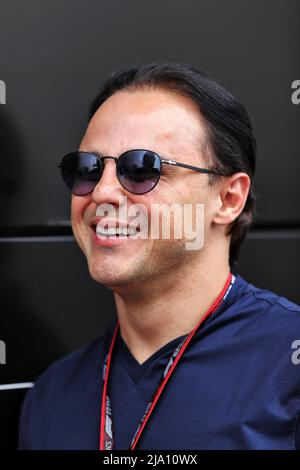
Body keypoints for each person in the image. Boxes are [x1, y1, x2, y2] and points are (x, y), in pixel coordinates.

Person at [19, 61, 300, 450]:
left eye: (140, 168)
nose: (101, 193)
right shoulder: (51, 396)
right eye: (88, 168)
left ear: (228, 198)